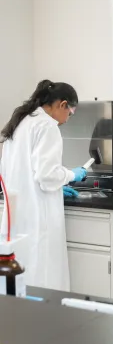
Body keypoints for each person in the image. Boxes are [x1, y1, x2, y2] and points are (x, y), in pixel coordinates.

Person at [0, 80, 88, 291]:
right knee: (44, 277)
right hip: (39, 215)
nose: (67, 120)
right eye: (71, 112)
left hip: (17, 213)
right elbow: (47, 176)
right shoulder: (48, 126)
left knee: (20, 276)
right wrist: (71, 175)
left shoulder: (21, 120)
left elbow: (21, 170)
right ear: (62, 104)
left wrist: (58, 186)